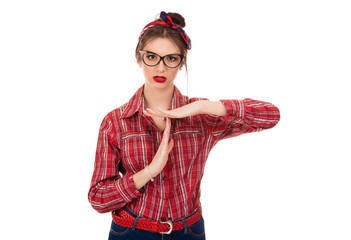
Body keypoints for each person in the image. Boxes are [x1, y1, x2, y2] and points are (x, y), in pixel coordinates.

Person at [88, 11, 280, 240]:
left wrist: (203, 107)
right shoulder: (115, 122)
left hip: (189, 231)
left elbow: (271, 115)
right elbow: (99, 198)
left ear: (181, 63)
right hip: (132, 232)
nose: (160, 69)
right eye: (151, 57)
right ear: (139, 58)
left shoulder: (201, 117)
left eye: (171, 58)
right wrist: (149, 171)